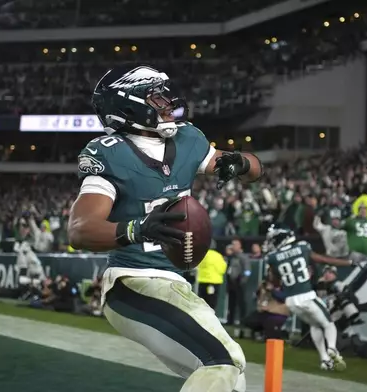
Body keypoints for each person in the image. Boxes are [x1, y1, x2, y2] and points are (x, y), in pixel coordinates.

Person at [67, 65, 262, 392]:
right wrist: (137, 228)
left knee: (234, 378)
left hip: (175, 283)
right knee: (223, 360)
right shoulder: (109, 153)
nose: (168, 103)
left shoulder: (188, 138)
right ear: (130, 106)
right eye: (156, 97)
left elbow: (254, 170)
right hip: (132, 283)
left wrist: (239, 162)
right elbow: (80, 230)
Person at [262, 223, 352, 371]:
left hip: (291, 301)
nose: (272, 243)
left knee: (315, 325)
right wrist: (348, 262)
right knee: (328, 324)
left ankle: (324, 360)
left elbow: (275, 282)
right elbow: (323, 260)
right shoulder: (302, 247)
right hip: (307, 296)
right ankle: (332, 349)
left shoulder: (273, 257)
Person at [197, 240, 227, 309]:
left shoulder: (202, 254)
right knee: (211, 301)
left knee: (202, 300)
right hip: (213, 283)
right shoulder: (218, 256)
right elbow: (222, 269)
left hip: (202, 281)